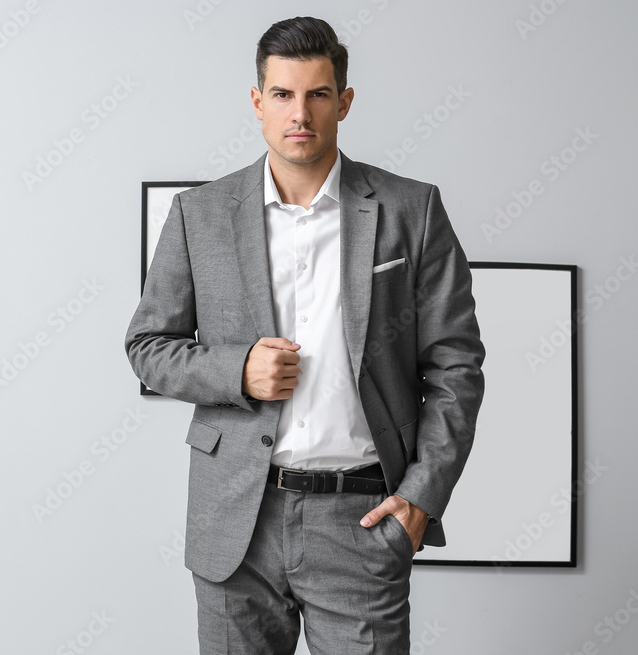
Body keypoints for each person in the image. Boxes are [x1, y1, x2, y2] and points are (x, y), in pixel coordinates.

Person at [124, 15, 486, 655]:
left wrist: (420, 500)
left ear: (344, 102)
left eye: (319, 95)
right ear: (258, 102)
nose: (301, 113)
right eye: (284, 95)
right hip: (236, 519)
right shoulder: (199, 215)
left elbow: (456, 365)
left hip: (362, 520)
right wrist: (236, 371)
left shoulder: (412, 208)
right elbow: (148, 349)